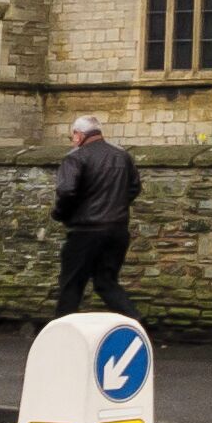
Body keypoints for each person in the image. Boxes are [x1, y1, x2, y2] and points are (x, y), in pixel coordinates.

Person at [51, 111, 141, 315]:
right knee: (106, 282)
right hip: (117, 231)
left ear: (79, 135)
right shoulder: (122, 155)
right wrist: (116, 206)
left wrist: (60, 214)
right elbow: (134, 188)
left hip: (86, 231)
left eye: (73, 136)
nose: (73, 140)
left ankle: (63, 330)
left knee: (71, 286)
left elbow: (66, 191)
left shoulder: (76, 157)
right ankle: (136, 323)